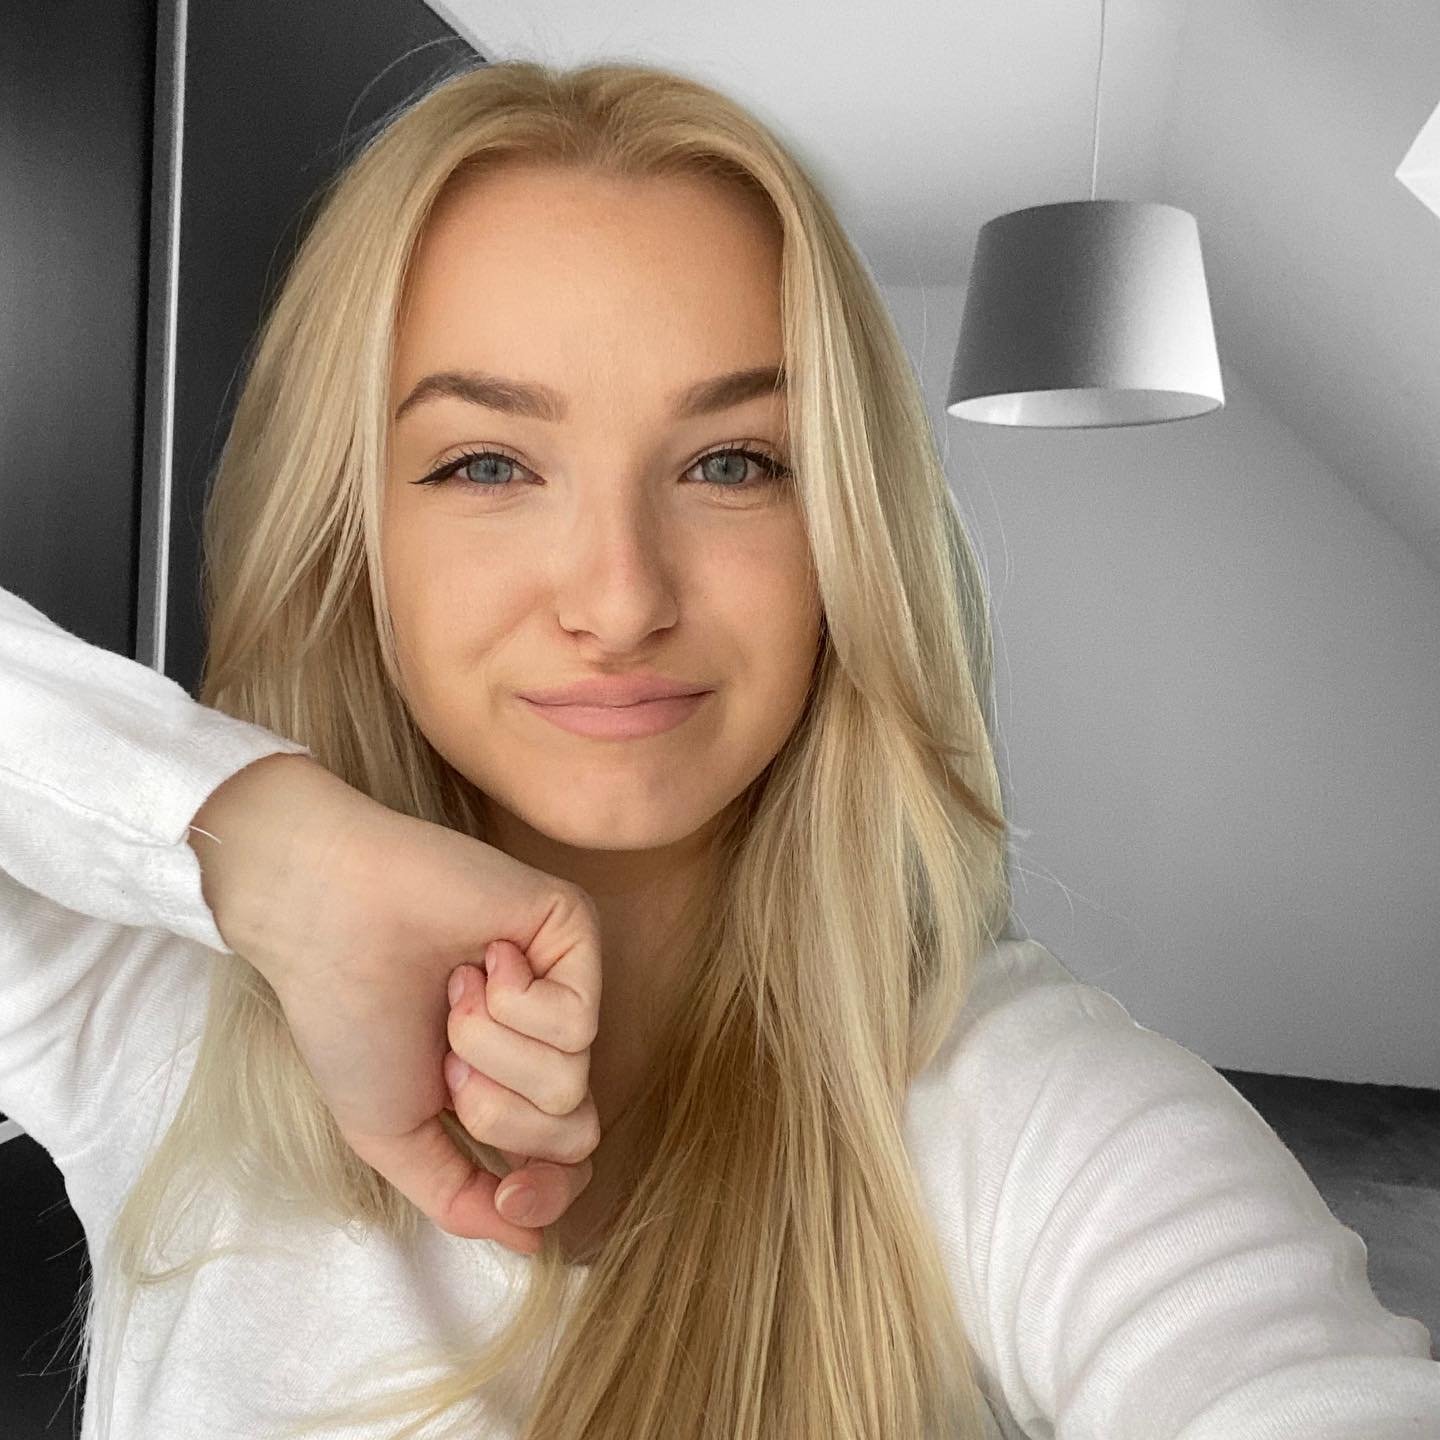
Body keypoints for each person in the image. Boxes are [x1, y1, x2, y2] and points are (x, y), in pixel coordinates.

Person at [2, 55, 1437, 1440]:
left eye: (732, 463)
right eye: (489, 464)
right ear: (350, 531)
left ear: (846, 537)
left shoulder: (1036, 1118)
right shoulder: (162, 1000)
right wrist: (263, 850)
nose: (621, 599)